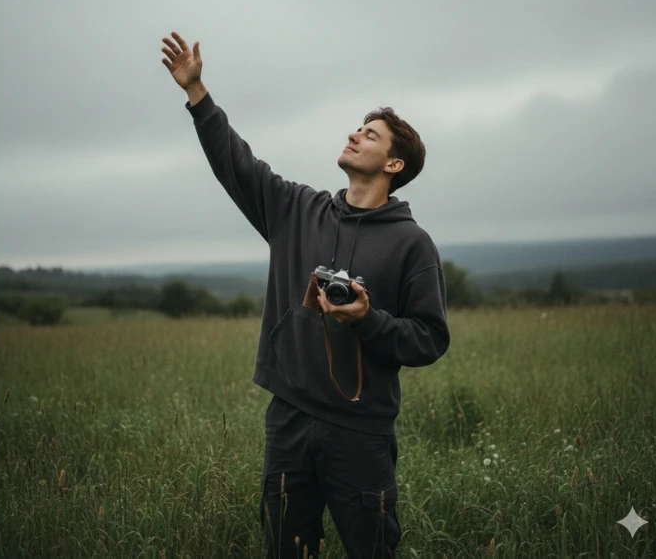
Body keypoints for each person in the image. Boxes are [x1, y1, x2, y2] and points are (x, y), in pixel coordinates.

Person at [160, 31, 450, 559]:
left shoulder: (413, 244)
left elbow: (430, 339)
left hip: (360, 435)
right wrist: (198, 94)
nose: (355, 135)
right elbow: (236, 163)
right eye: (357, 128)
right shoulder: (296, 210)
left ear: (393, 165)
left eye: (371, 134)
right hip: (288, 421)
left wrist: (367, 319)